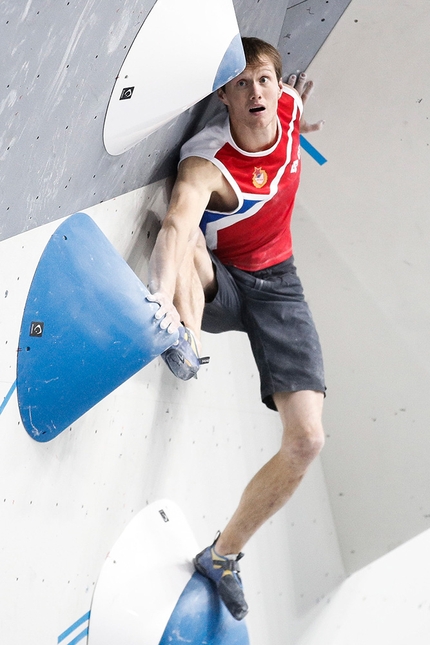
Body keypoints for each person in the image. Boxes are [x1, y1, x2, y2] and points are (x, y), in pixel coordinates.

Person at [147, 36, 326, 621]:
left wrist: (303, 122)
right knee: (187, 235)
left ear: (279, 86)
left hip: (281, 287)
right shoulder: (209, 161)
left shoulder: (288, 109)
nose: (256, 92)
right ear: (223, 93)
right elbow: (175, 224)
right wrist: (161, 297)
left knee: (306, 442)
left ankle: (222, 556)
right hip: (216, 285)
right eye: (242, 83)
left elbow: (293, 113)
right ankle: (184, 340)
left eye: (265, 81)